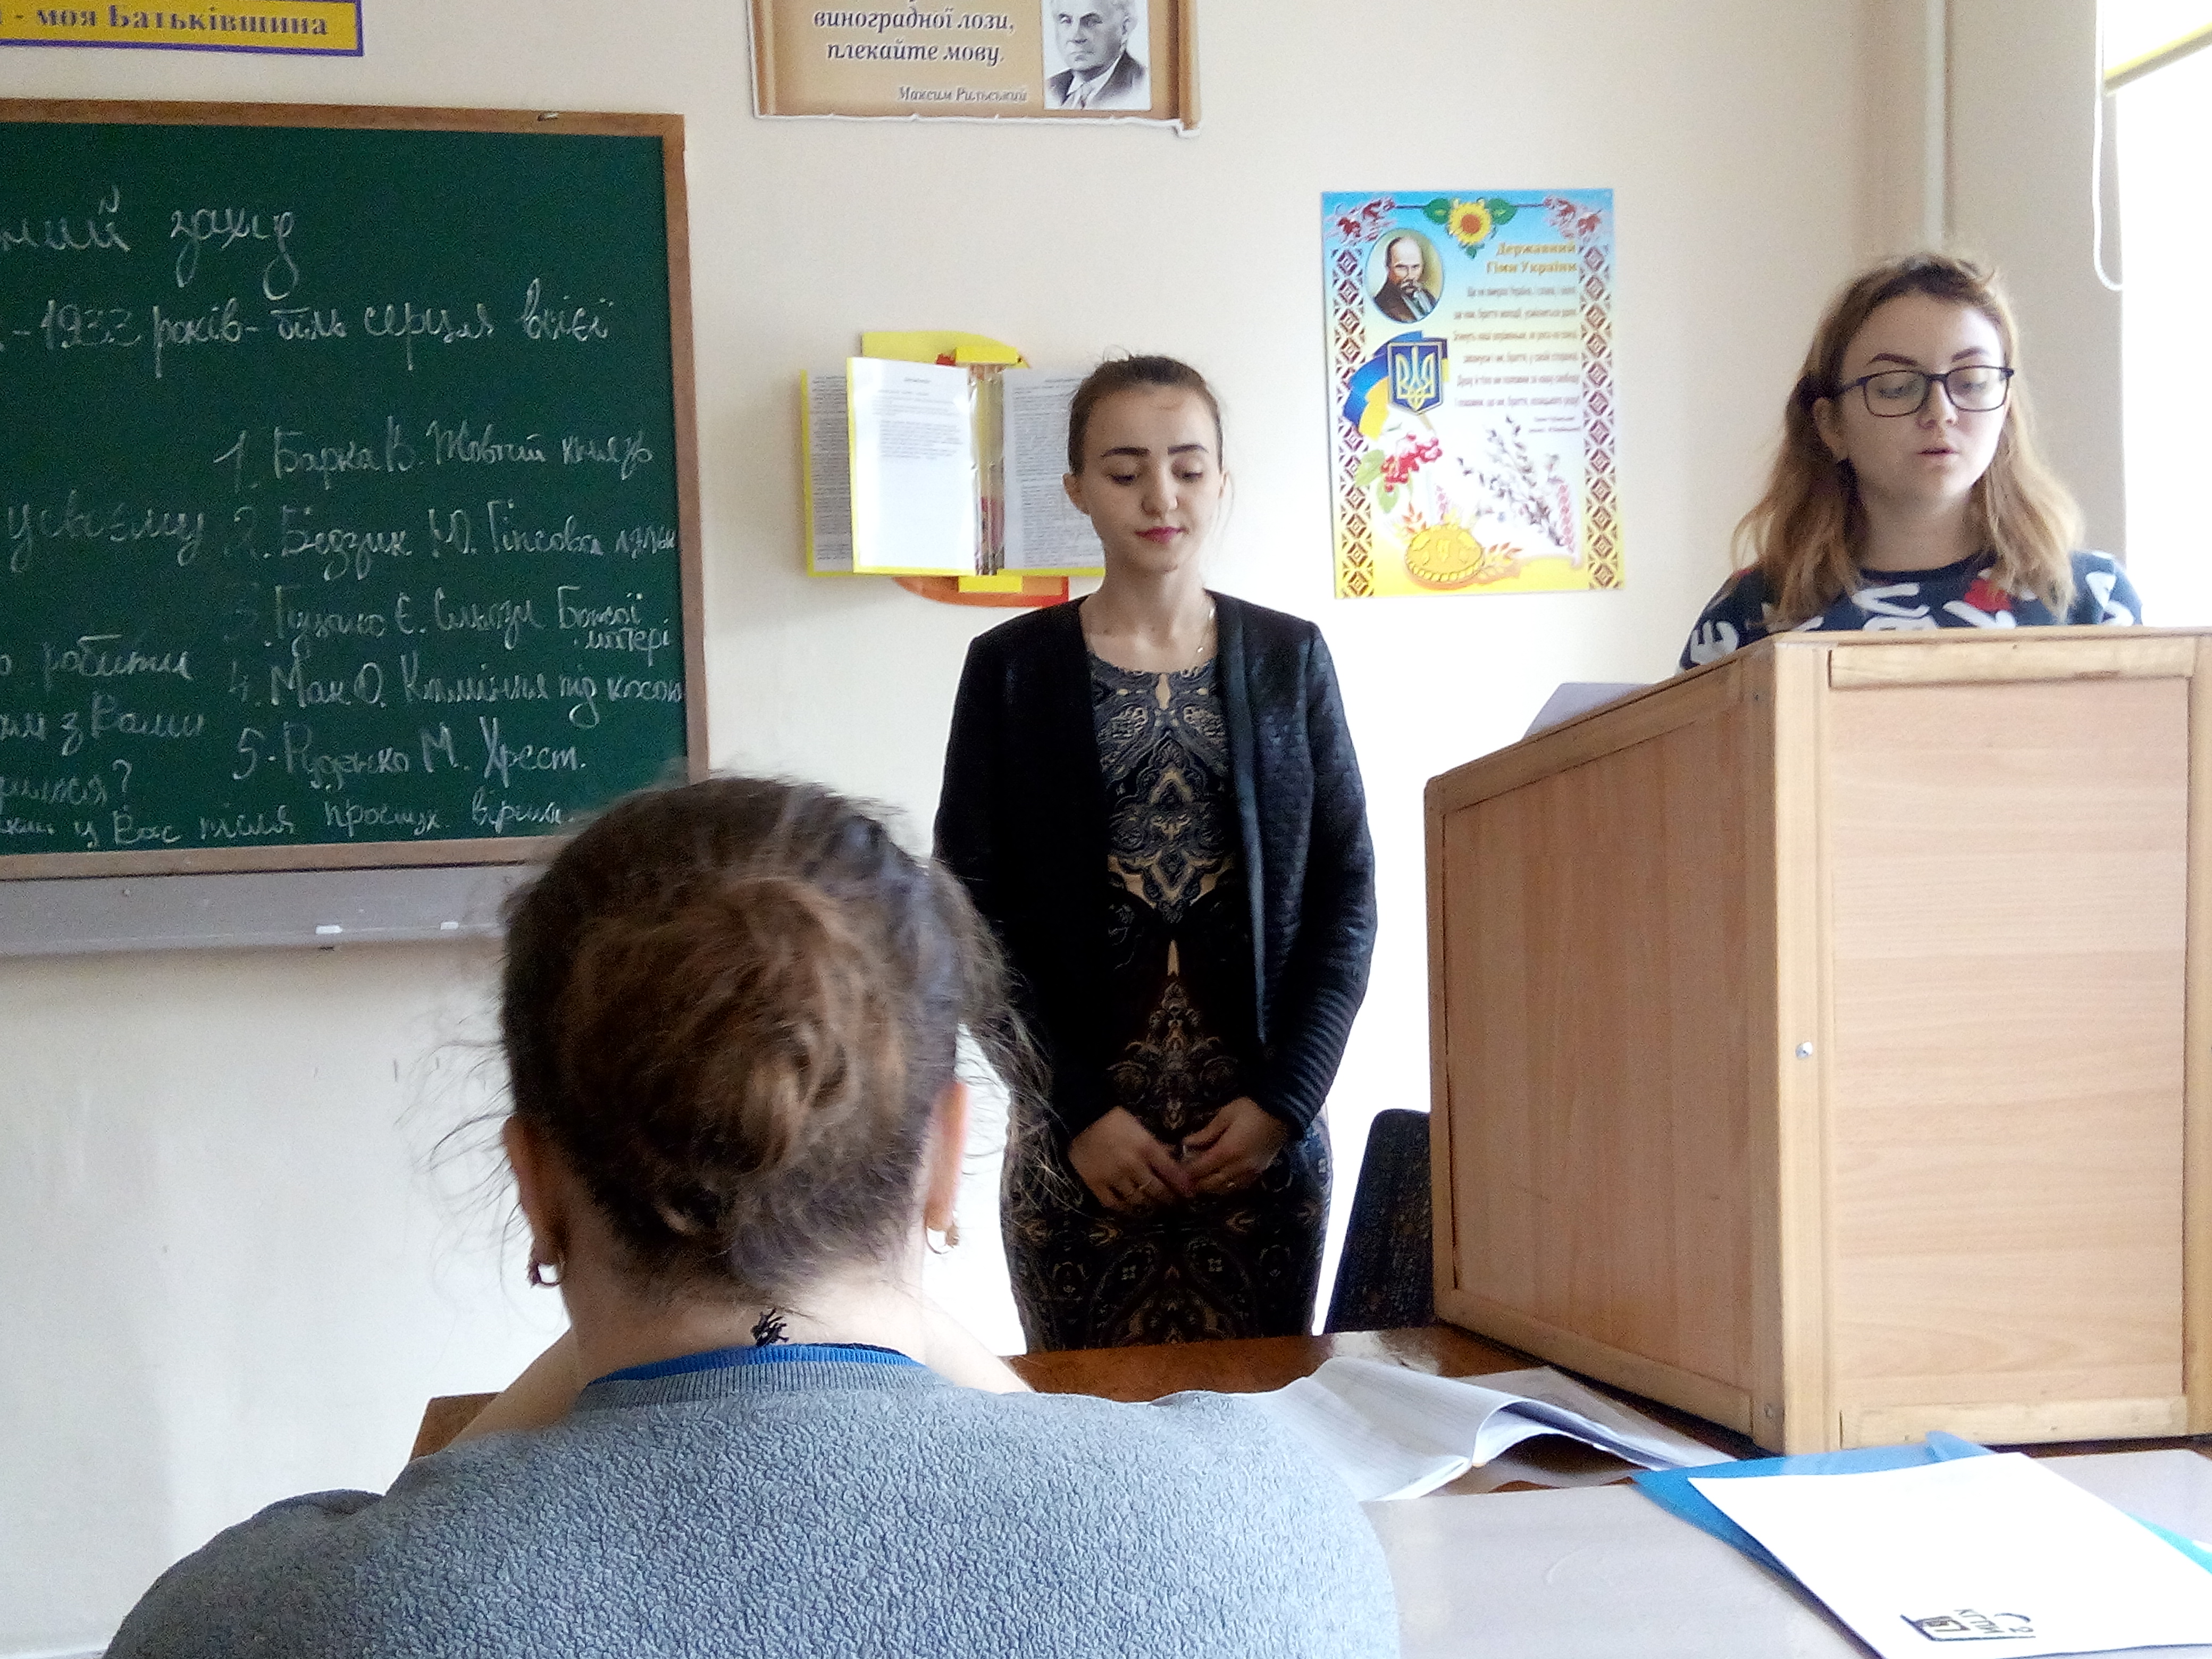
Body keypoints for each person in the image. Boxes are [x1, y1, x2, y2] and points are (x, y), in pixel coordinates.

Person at [104, 778, 1398, 1659]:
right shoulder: (1267, 1543)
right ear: (943, 1159)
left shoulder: (258, 1621)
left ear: (535, 1183)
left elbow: (410, 1539)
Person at [936, 356, 1376, 1353]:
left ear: (1223, 480)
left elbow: (1347, 896)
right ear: (1076, 490)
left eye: (1187, 466)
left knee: (1262, 1418)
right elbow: (966, 917)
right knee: (1088, 1423)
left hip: (1260, 1154)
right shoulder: (1009, 672)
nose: (1161, 496)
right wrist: (1078, 1113)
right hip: (1079, 1157)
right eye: (1126, 470)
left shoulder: (1290, 659)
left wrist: (1285, 1103)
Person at [1680, 251, 2141, 668]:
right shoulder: (1750, 615)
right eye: (1896, 387)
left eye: (1972, 381)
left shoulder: (2092, 601)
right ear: (1831, 425)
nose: (1940, 412)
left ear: (2005, 407)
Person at [1045, 0, 1149, 109]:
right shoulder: (1050, 87)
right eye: (1066, 21)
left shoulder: (1143, 86)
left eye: (1091, 22)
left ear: (1124, 29)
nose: (1075, 37)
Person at [1373, 234, 1437, 323]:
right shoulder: (1382, 306)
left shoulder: (1428, 297)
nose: (1410, 276)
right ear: (1388, 267)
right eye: (1402, 267)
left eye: (1416, 267)